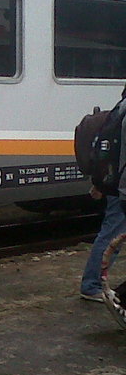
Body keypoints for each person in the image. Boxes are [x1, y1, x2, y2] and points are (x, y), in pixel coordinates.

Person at [80, 83, 126, 302]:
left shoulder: (120, 108)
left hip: (117, 184)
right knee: (112, 235)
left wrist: (101, 183)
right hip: (122, 187)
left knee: (111, 233)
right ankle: (92, 285)